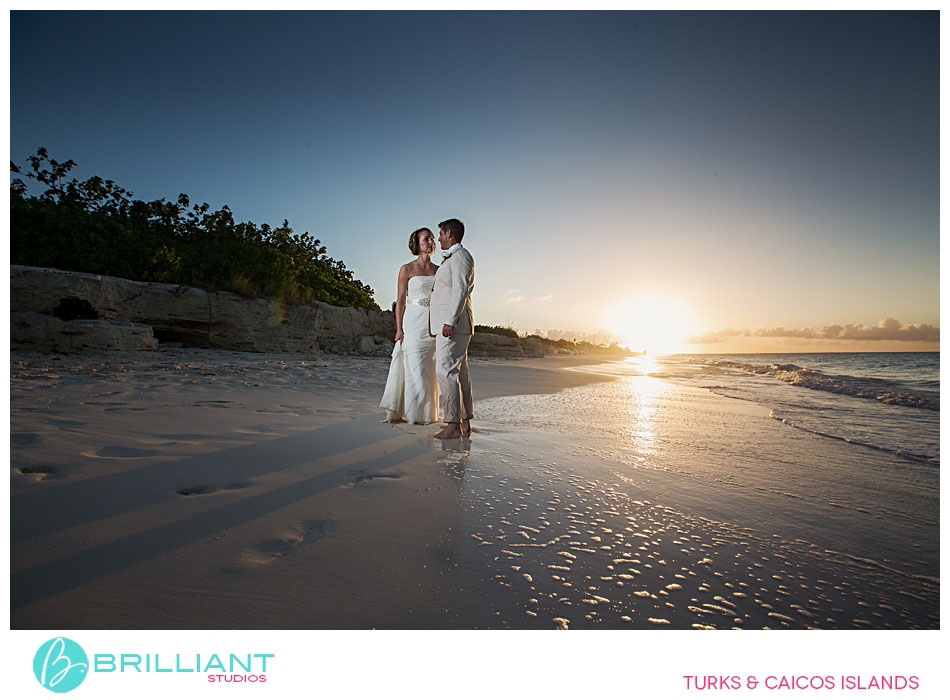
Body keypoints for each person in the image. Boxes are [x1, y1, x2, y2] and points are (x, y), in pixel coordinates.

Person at [379, 228, 440, 424]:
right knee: (414, 366)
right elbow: (400, 301)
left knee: (429, 368)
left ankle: (427, 414)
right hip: (413, 321)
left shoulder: (439, 270)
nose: (430, 242)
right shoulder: (407, 269)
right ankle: (413, 414)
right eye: (426, 239)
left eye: (432, 238)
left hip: (433, 323)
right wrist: (399, 329)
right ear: (417, 243)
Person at [429, 218, 474, 439]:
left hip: (452, 325)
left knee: (446, 371)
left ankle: (453, 424)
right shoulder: (454, 257)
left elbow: (460, 290)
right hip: (454, 324)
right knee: (460, 373)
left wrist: (449, 320)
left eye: (440, 233)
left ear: (449, 233)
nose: (438, 238)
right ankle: (464, 422)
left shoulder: (461, 256)